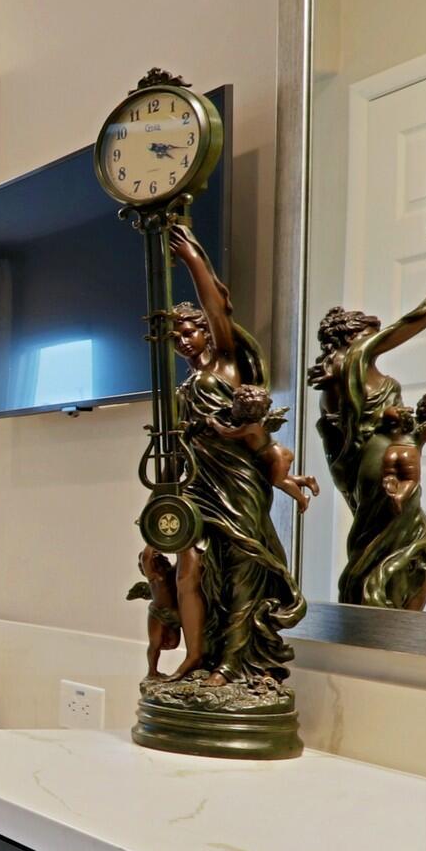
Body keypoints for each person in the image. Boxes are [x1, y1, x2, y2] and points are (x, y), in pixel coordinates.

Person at [137, 223, 308, 699]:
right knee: (193, 569)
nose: (184, 341)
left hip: (238, 485)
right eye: (176, 337)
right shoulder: (185, 385)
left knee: (241, 566)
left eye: (190, 331)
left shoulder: (226, 364)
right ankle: (198, 653)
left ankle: (233, 663)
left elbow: (219, 308)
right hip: (197, 485)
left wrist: (193, 259)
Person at [313, 233, 426, 610]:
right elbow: (423, 314)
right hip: (379, 477)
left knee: (405, 566)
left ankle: (385, 640)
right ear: (352, 338)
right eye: (369, 333)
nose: (378, 338)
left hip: (375, 474)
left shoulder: (343, 378)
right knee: (404, 566)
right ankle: (378, 639)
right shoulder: (353, 365)